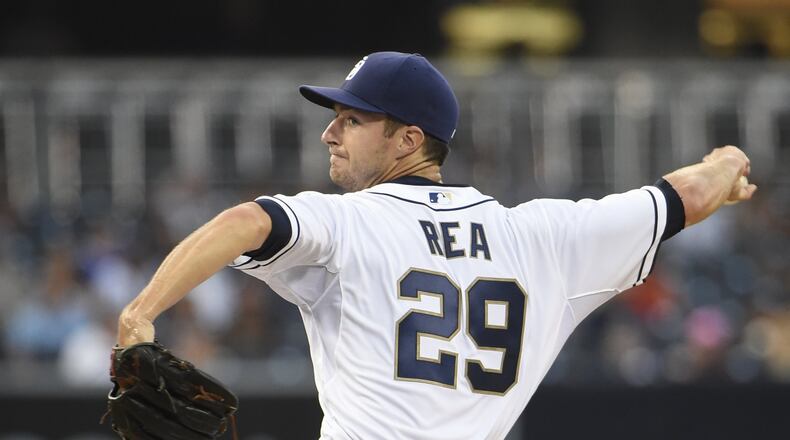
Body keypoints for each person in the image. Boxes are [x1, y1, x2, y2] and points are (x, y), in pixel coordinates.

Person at [115, 51, 757, 439]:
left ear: (408, 140)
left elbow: (246, 222)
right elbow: (684, 197)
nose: (330, 134)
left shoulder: (351, 223)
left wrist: (141, 312)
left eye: (352, 119)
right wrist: (728, 160)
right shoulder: (542, 234)